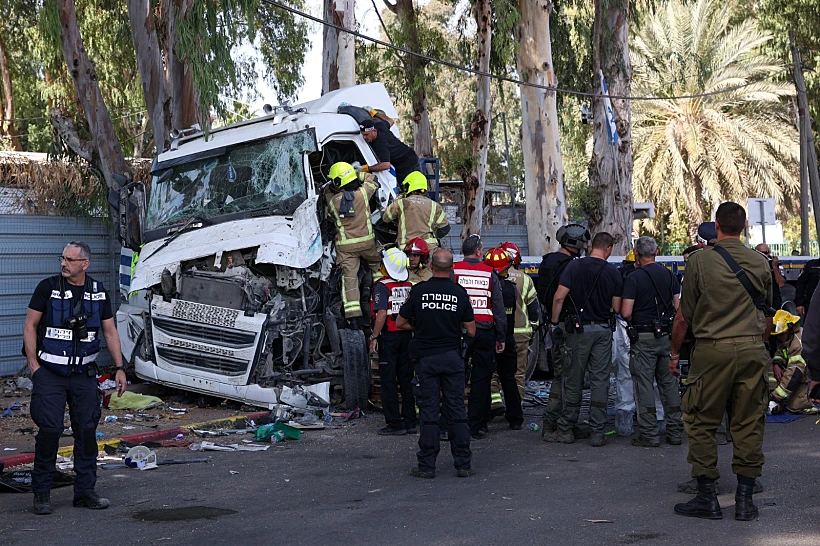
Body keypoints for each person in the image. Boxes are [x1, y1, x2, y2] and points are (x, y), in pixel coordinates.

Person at [669, 201, 772, 521]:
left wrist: (675, 354)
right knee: (749, 421)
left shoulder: (699, 262)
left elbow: (684, 316)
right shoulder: (760, 262)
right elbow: (766, 310)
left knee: (701, 421)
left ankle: (707, 498)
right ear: (744, 228)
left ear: (716, 226)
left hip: (712, 350)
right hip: (753, 349)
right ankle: (744, 500)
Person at [22, 242, 127, 515]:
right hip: (50, 374)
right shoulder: (48, 288)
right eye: (63, 258)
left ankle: (84, 492)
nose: (63, 263)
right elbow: (30, 325)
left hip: (83, 375)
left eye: (69, 259)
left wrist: (119, 367)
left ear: (85, 263)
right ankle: (42, 494)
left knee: (86, 432)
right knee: (50, 430)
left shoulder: (98, 292)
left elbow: (110, 332)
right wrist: (34, 366)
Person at [397, 249, 476, 478]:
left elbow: (401, 322)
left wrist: (419, 328)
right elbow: (470, 330)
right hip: (452, 358)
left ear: (431, 266)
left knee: (429, 411)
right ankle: (463, 464)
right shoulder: (459, 293)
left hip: (426, 360)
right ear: (451, 268)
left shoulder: (419, 291)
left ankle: (427, 466)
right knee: (457, 410)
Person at [546, 232, 623, 447]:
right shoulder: (613, 273)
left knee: (573, 379)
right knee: (600, 380)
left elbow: (559, 297)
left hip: (578, 333)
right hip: (603, 332)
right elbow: (617, 308)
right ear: (608, 249)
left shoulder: (574, 266)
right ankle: (597, 432)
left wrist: (554, 323)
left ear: (591, 246)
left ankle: (566, 429)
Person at [620, 236, 683, 447]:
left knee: (644, 385)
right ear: (656, 253)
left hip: (643, 338)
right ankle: (675, 432)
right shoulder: (669, 275)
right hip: (667, 336)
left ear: (636, 254)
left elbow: (626, 312)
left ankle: (649, 434)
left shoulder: (634, 278)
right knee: (669, 384)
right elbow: (678, 307)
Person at [537, 224, 590, 435]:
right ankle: (563, 423)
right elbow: (562, 296)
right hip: (565, 325)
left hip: (553, 322)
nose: (586, 245)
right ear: (575, 243)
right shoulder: (571, 266)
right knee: (570, 376)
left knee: (559, 375)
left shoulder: (547, 261)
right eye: (583, 242)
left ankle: (552, 422)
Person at [454, 234, 506, 439]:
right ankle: (477, 425)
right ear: (477, 251)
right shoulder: (489, 273)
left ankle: (453, 422)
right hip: (484, 331)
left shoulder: (454, 270)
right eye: (482, 249)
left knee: (455, 378)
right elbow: (498, 309)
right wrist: (501, 337)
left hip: (460, 331)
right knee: (481, 379)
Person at [327, 161, 383, 322]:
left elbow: (330, 217)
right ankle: (380, 294)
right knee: (377, 267)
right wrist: (358, 172)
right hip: (368, 244)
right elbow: (374, 180)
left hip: (346, 248)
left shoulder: (333, 202)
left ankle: (353, 318)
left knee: (349, 279)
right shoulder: (363, 194)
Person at [370, 248, 416, 435]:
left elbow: (381, 314)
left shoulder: (381, 286)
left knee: (388, 381)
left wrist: (374, 336)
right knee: (406, 380)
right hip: (406, 336)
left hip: (389, 337)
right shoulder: (409, 285)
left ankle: (394, 424)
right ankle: (410, 421)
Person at [483, 247, 523, 430]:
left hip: (490, 338)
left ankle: (483, 417)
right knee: (509, 379)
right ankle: (515, 418)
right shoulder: (511, 289)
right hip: (507, 338)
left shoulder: (486, 287)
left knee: (484, 378)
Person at [500, 241, 541, 400]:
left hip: (499, 333)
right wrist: (533, 329)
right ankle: (517, 406)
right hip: (521, 333)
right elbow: (533, 309)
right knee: (518, 373)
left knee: (495, 371)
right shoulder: (525, 279)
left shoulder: (492, 276)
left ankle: (495, 403)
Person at [382, 171, 450, 248]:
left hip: (407, 248)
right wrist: (433, 235)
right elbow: (445, 228)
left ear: (408, 186)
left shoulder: (401, 203)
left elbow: (386, 218)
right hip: (428, 247)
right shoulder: (434, 205)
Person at [769, 310, 818, 414]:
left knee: (795, 405)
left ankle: (812, 401)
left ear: (790, 329)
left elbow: (794, 373)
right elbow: (780, 351)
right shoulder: (788, 339)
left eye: (782, 334)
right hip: (803, 376)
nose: (779, 337)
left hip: (811, 378)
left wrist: (776, 396)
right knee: (769, 367)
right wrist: (777, 364)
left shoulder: (798, 344)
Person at [358, 118, 421, 186]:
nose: (364, 137)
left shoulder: (380, 144)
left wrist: (366, 168)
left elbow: (385, 165)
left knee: (413, 187)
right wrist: (375, 113)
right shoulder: (380, 125)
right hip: (408, 157)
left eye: (366, 135)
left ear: (374, 131)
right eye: (363, 134)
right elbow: (391, 121)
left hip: (407, 163)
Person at [754, 244, 783, 310]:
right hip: (758, 300)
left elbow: (781, 283)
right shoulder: (752, 265)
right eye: (761, 253)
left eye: (766, 253)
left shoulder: (775, 264)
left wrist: (774, 267)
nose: (763, 255)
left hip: (773, 301)